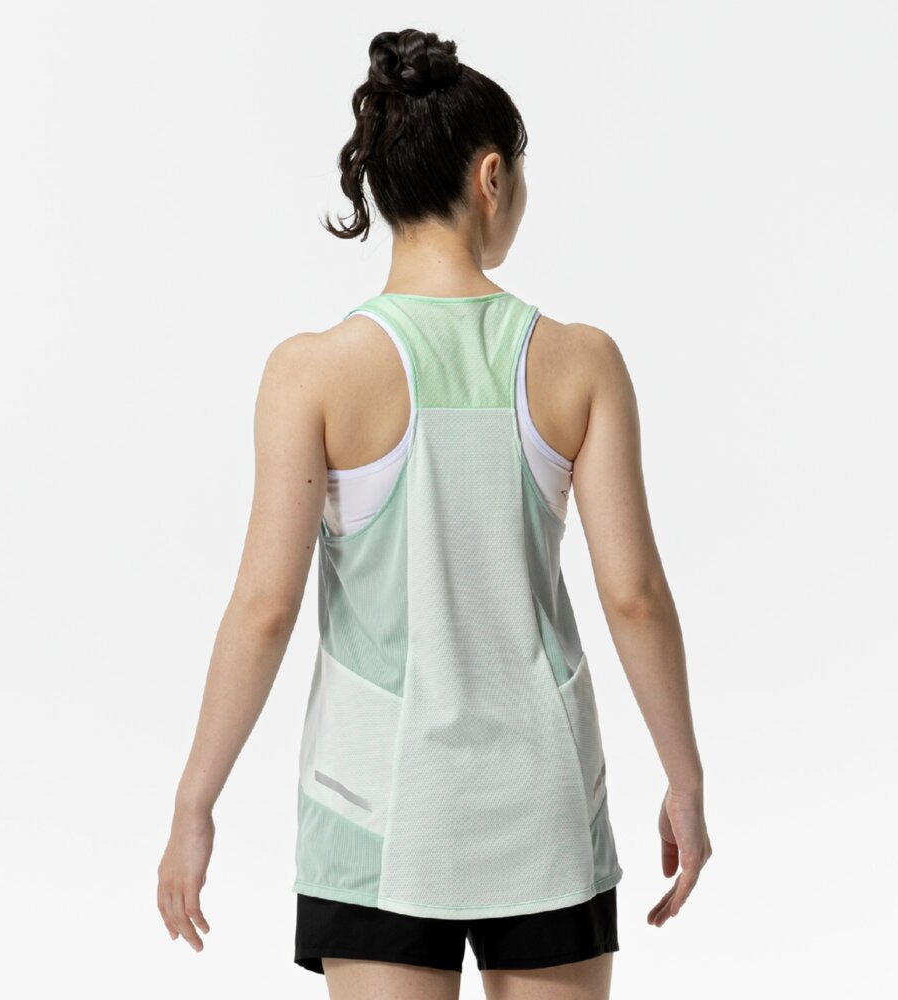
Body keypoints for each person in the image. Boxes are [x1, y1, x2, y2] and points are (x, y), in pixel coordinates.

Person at [157, 27, 711, 1000]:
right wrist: (685, 777)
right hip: (543, 802)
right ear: (492, 176)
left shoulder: (312, 372)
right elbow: (634, 594)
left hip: (376, 807)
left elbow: (263, 609)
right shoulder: (580, 361)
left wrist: (194, 802)